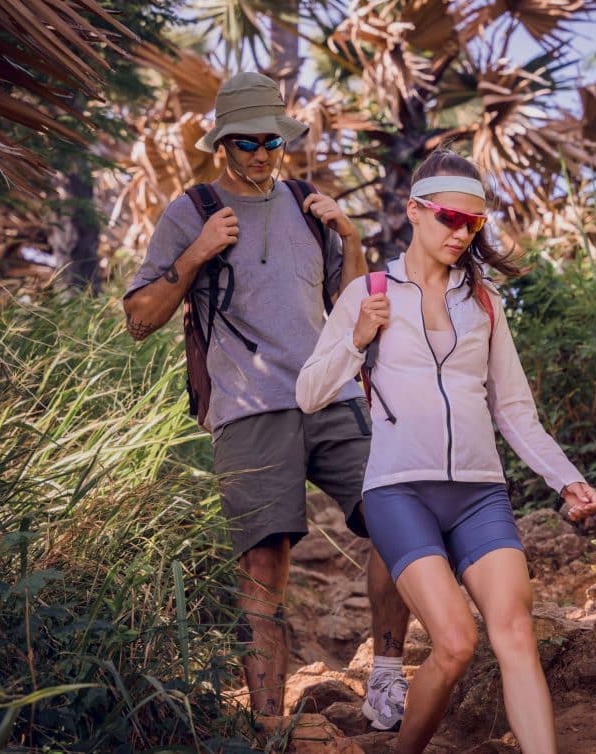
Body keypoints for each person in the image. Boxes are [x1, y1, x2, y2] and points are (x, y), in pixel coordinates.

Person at [123, 71, 410, 727]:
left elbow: (351, 316)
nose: (260, 153)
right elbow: (139, 320)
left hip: (332, 398)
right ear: (223, 143)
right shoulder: (190, 212)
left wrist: (352, 240)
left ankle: (388, 684)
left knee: (399, 518)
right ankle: (268, 725)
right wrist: (195, 254)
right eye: (246, 142)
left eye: (271, 141)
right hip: (248, 411)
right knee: (262, 566)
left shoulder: (309, 206)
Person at [296, 149, 596, 753]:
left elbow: (512, 408)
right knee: (457, 643)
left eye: (474, 223)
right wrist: (357, 340)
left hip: (479, 493)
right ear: (413, 211)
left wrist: (563, 478)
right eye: (448, 218)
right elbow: (309, 394)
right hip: (398, 490)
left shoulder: (485, 302)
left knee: (515, 632)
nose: (460, 233)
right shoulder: (370, 291)